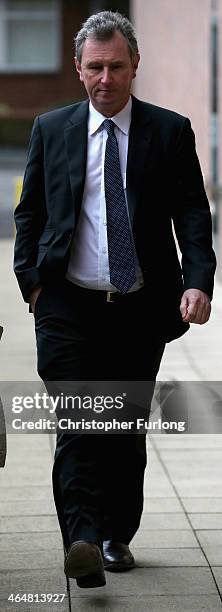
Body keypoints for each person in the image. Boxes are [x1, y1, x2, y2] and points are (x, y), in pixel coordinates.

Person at [14, 10, 216, 589]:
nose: (107, 78)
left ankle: (114, 534)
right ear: (79, 70)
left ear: (135, 67)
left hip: (139, 308)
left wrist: (198, 279)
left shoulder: (170, 131)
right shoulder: (51, 129)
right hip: (66, 305)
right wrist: (30, 280)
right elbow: (30, 213)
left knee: (122, 430)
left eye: (117, 67)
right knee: (77, 422)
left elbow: (192, 214)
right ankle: (80, 537)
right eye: (95, 67)